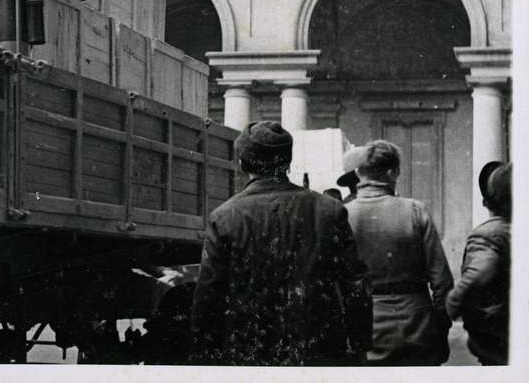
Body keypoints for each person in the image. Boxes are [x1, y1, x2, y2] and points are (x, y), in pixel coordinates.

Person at [189, 121, 372, 366]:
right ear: (287, 162)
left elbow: (208, 296)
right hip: (318, 353)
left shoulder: (224, 217)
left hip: (248, 355)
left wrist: (205, 355)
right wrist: (360, 345)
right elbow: (356, 285)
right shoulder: (330, 211)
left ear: (242, 163)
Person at [345, 140, 453, 365]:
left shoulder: (342, 215)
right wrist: (440, 327)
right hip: (416, 329)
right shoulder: (415, 211)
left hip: (363, 330)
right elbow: (442, 282)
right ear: (393, 173)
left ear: (358, 173)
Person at [446, 162, 511, 365]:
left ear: (487, 202)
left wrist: (451, 306)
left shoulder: (488, 234)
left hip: (498, 340)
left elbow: (477, 275)